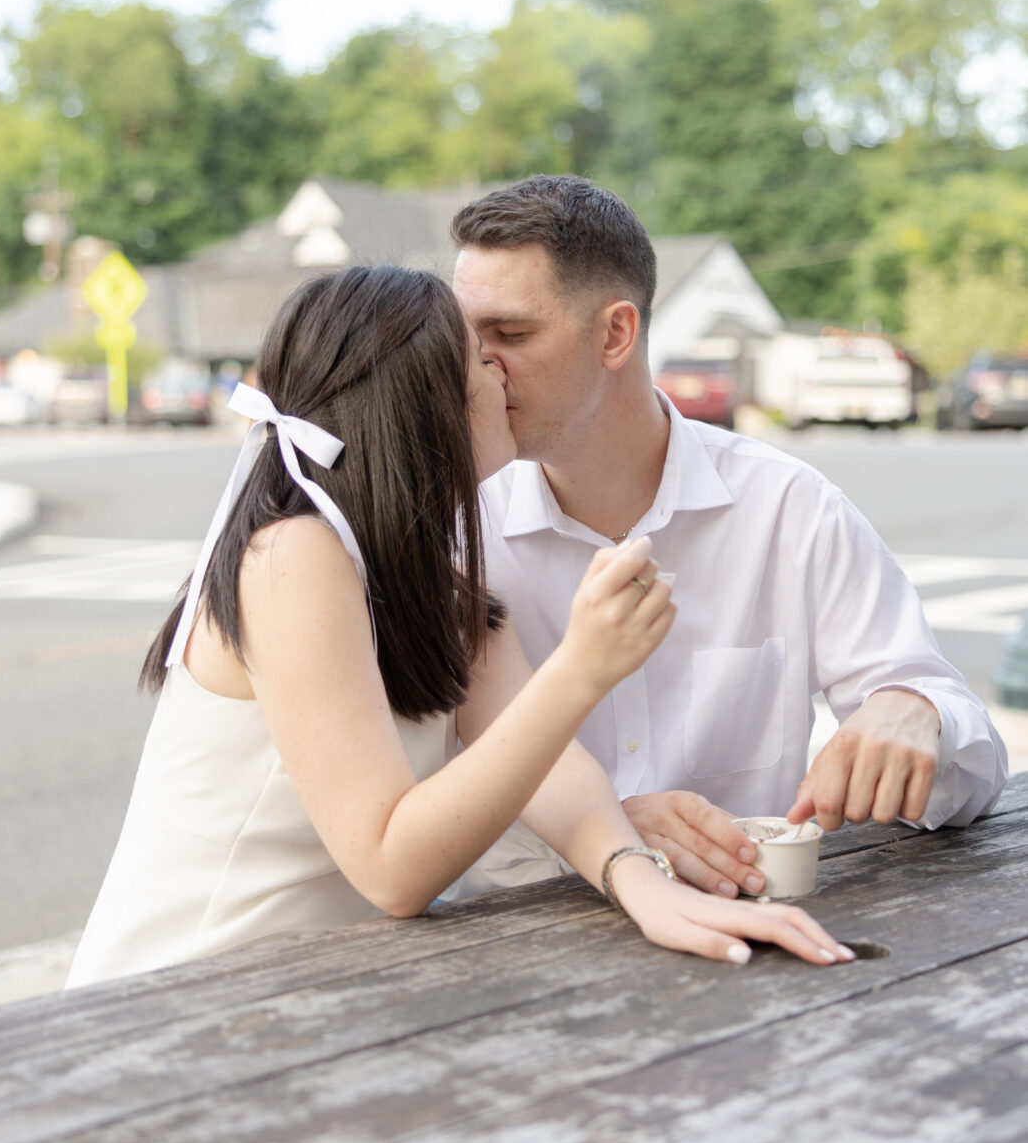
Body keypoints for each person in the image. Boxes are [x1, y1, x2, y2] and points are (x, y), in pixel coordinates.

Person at [67, 266, 853, 987]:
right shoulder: (291, 557)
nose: (500, 372)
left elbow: (550, 770)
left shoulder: (437, 582)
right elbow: (390, 867)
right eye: (481, 358)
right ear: (420, 399)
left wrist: (642, 885)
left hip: (316, 994)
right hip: (182, 995)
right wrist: (582, 669)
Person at [447, 176, 1008, 900]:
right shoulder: (454, 533)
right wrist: (601, 831)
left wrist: (918, 710)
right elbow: (412, 815)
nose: (478, 369)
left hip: (755, 953)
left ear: (615, 333)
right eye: (468, 340)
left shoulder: (788, 509)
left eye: (511, 335)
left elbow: (978, 773)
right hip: (499, 967)